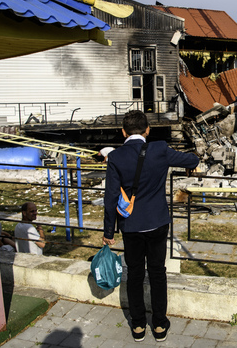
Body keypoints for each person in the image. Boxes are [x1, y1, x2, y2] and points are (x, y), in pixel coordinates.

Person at [102, 110, 199, 343]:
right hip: (157, 222)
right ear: (148, 130)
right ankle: (159, 325)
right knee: (157, 273)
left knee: (134, 274)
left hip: (131, 224)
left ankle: (137, 326)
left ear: (123, 132)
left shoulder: (116, 157)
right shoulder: (159, 150)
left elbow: (110, 197)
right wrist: (191, 163)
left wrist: (108, 232)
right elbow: (192, 159)